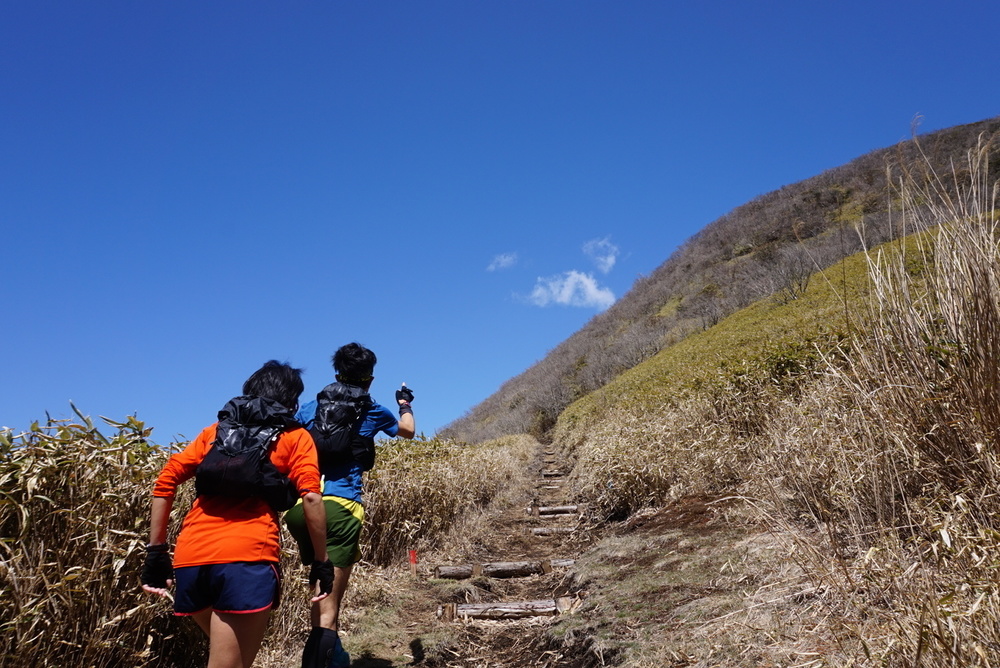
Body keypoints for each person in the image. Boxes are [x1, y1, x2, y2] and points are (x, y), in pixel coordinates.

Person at [141, 360, 334, 668]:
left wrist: (156, 551)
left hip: (191, 561)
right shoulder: (295, 437)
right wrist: (322, 562)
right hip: (246, 560)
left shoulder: (214, 433)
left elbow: (165, 481)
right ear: (292, 401)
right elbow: (311, 497)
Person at [285, 342, 415, 668]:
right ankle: (328, 659)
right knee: (328, 610)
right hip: (341, 509)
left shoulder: (309, 407)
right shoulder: (373, 411)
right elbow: (408, 432)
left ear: (335, 373)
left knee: (319, 591)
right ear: (370, 379)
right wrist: (404, 404)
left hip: (302, 508)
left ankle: (336, 655)